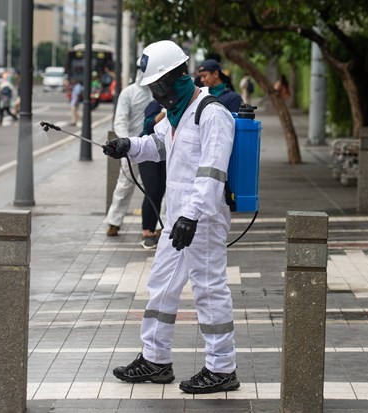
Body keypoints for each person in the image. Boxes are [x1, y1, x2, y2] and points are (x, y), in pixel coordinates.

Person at [102, 40, 239, 394]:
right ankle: (155, 359)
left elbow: (213, 172)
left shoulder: (212, 113)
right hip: (176, 218)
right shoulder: (176, 115)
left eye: (157, 87)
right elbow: (157, 146)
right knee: (161, 287)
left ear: (174, 78)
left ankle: (222, 367)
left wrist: (191, 216)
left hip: (202, 219)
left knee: (208, 290)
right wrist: (128, 145)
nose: (155, 95)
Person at [104, 58, 152, 238]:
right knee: (125, 185)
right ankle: (114, 221)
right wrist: (126, 143)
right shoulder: (128, 93)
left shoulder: (157, 92)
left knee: (160, 188)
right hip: (132, 147)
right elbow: (120, 121)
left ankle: (161, 222)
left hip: (155, 145)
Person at [138, 100, 167, 249]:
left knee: (160, 190)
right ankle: (146, 232)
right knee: (152, 189)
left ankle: (152, 230)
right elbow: (148, 126)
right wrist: (165, 112)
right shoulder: (155, 104)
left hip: (165, 151)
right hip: (148, 149)